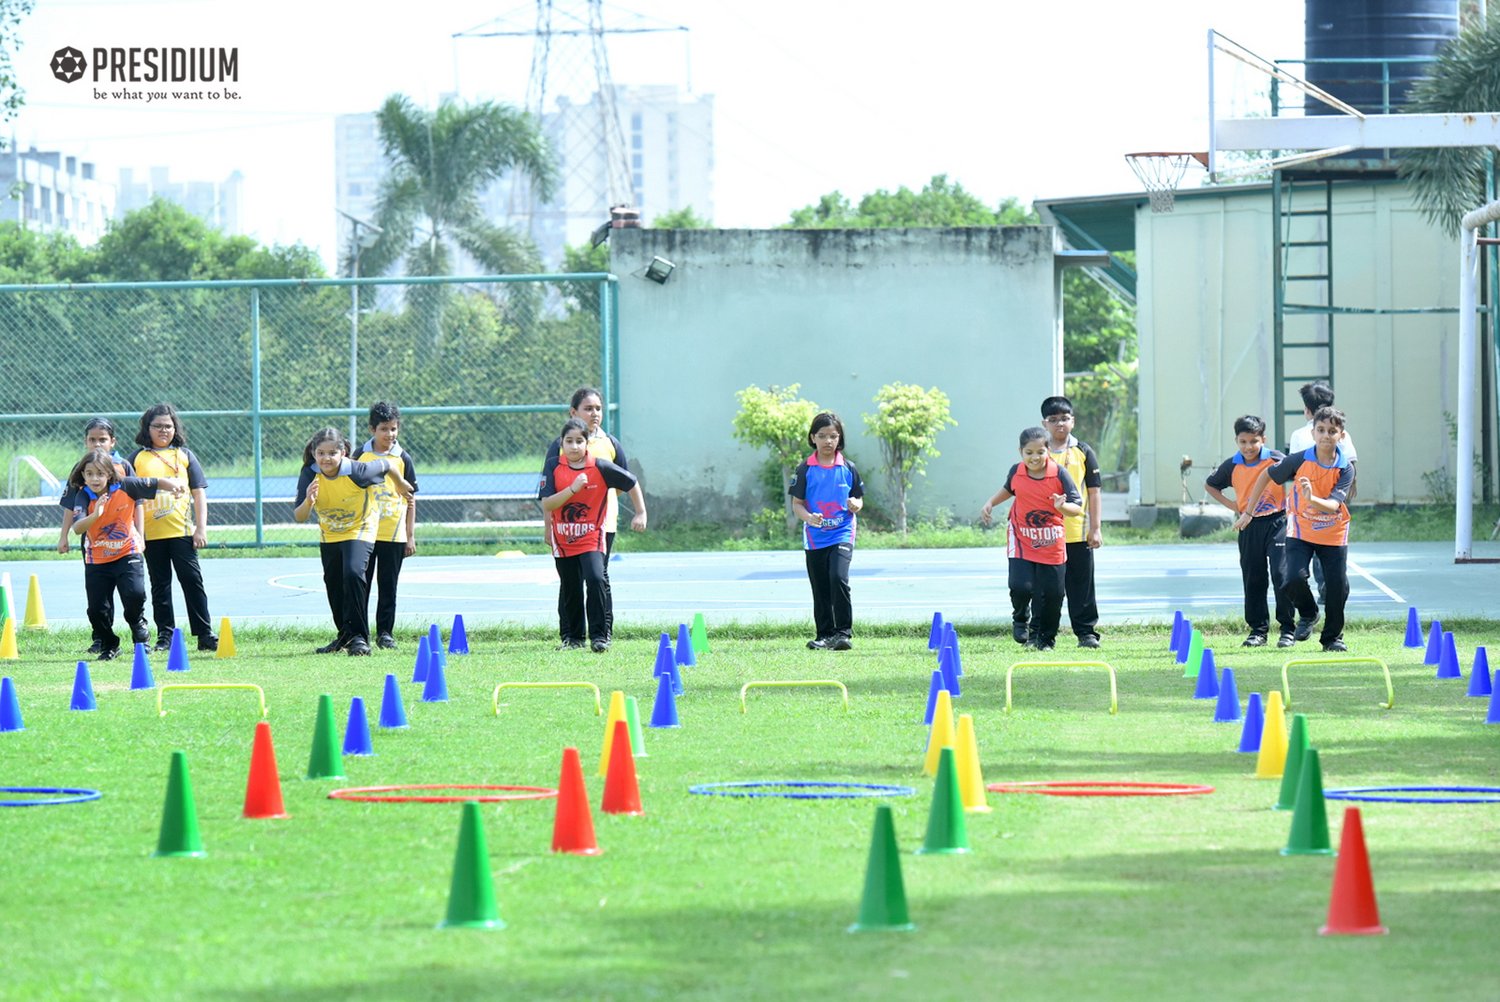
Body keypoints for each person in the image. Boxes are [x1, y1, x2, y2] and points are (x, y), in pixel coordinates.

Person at [1237, 406, 1355, 653]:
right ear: (1313, 433)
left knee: (1337, 586)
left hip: (1332, 532)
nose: (1326, 435)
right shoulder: (1299, 459)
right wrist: (1249, 511)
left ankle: (1333, 638)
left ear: (1341, 436)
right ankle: (1310, 613)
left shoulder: (1345, 468)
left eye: (1332, 431)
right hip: (1301, 530)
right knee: (1290, 579)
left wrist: (1311, 498)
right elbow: (1265, 476)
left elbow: (1333, 505)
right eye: (1321, 430)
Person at [538, 387, 648, 642]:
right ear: (573, 412)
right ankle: (571, 635)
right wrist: (548, 528)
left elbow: (625, 481)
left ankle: (601, 634)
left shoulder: (609, 444)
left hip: (602, 524)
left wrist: (601, 499)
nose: (595, 413)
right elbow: (547, 495)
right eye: (588, 408)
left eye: (598, 408)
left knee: (598, 576)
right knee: (571, 580)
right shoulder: (559, 447)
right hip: (566, 528)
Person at [293, 427, 414, 657]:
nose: (326, 458)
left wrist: (399, 483)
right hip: (331, 533)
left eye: (332, 453)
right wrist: (308, 501)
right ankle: (345, 635)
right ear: (314, 453)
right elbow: (299, 516)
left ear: (343, 453)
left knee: (353, 573)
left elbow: (387, 465)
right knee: (334, 583)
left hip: (361, 528)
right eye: (321, 453)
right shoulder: (310, 474)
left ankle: (359, 637)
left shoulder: (357, 470)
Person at [66, 448, 184, 660]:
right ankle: (110, 644)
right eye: (90, 473)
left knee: (135, 595)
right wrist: (96, 514)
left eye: (100, 473)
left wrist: (174, 485)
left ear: (109, 474)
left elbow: (154, 482)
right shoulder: (83, 495)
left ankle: (138, 625)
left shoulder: (126, 485)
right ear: (83, 474)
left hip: (127, 551)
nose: (95, 478)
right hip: (97, 558)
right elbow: (77, 528)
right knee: (96, 611)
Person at [981, 427, 1084, 652]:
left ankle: (1046, 639)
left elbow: (1076, 508)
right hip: (1021, 537)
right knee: (1020, 586)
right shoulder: (1016, 471)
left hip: (1052, 541)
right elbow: (1009, 489)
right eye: (1029, 453)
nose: (1034, 458)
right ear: (1021, 452)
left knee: (1053, 594)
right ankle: (1020, 619)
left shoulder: (1059, 474)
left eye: (1040, 452)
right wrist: (991, 502)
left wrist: (1062, 506)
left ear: (1048, 451)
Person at [129, 403, 218, 652]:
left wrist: (201, 528)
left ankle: (204, 634)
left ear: (175, 428)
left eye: (168, 426)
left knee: (192, 580)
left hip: (182, 533)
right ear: (147, 428)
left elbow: (199, 493)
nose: (163, 430)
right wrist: (137, 533)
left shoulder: (185, 455)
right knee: (160, 586)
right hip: (151, 535)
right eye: (157, 426)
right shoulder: (138, 458)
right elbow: (127, 491)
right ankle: (165, 637)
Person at [1204, 415, 1295, 648]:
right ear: (1236, 440)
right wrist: (1233, 506)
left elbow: (1298, 475)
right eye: (1243, 442)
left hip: (1278, 522)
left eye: (1254, 441)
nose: (1248, 447)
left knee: (1281, 575)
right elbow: (1210, 485)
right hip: (1248, 526)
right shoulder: (1232, 465)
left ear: (1263, 439)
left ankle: (1287, 630)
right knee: (1254, 578)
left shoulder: (1276, 459)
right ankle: (1258, 631)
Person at [58, 419, 142, 654]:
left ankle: (138, 632)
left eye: (102, 439)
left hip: (125, 543)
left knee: (132, 592)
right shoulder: (81, 469)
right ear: (86, 442)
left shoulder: (124, 466)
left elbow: (139, 502)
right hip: (95, 543)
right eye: (92, 440)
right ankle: (102, 639)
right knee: (98, 598)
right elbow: (70, 507)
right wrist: (63, 536)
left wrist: (141, 534)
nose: (97, 444)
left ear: (112, 441)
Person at [789, 411, 865, 651]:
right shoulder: (805, 469)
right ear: (813, 438)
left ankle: (843, 634)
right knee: (820, 585)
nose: (828, 441)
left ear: (839, 438)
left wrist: (856, 504)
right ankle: (824, 635)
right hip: (815, 536)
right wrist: (810, 518)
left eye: (833, 436)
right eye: (822, 436)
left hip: (842, 531)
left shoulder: (848, 468)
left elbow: (858, 498)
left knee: (838, 577)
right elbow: (797, 505)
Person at [1040, 396, 1103, 648]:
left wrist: (1095, 528)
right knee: (1047, 589)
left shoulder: (1083, 452)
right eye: (1053, 420)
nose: (1060, 424)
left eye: (1065, 419)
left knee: (1081, 586)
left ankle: (1086, 633)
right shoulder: (1038, 451)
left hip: (1077, 532)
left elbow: (1094, 491)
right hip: (1044, 535)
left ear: (1073, 420)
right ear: (1044, 423)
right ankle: (1043, 636)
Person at [1287, 381, 1357, 606]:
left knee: (1313, 544)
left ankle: (1326, 586)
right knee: (1329, 547)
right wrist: (1349, 488)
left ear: (1306, 410)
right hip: (1335, 497)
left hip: (1310, 502)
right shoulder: (1340, 433)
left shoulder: (1300, 434)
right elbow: (1351, 461)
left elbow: (1296, 466)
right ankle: (1332, 585)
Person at [358, 401, 419, 649]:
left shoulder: (403, 458)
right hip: (364, 533)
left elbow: (411, 497)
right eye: (384, 429)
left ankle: (385, 633)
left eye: (394, 429)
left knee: (388, 586)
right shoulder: (361, 457)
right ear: (373, 429)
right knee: (361, 585)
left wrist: (410, 535)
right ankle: (360, 634)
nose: (390, 434)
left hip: (394, 534)